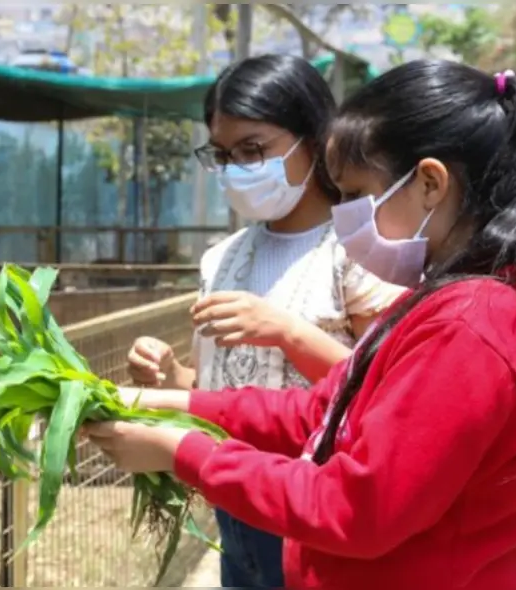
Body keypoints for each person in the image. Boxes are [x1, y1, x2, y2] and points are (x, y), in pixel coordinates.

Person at [89, 59, 516, 587]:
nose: (346, 217)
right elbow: (323, 408)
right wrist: (170, 405)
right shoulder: (456, 300)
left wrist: (184, 452)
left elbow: (353, 507)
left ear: (430, 183)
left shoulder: (471, 327)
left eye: (357, 195)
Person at [126, 54, 405, 588]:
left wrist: (288, 332)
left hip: (314, 514)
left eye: (253, 150)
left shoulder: (360, 254)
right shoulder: (222, 259)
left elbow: (384, 394)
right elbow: (213, 388)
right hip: (234, 504)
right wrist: (167, 379)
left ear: (315, 138)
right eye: (223, 154)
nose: (236, 168)